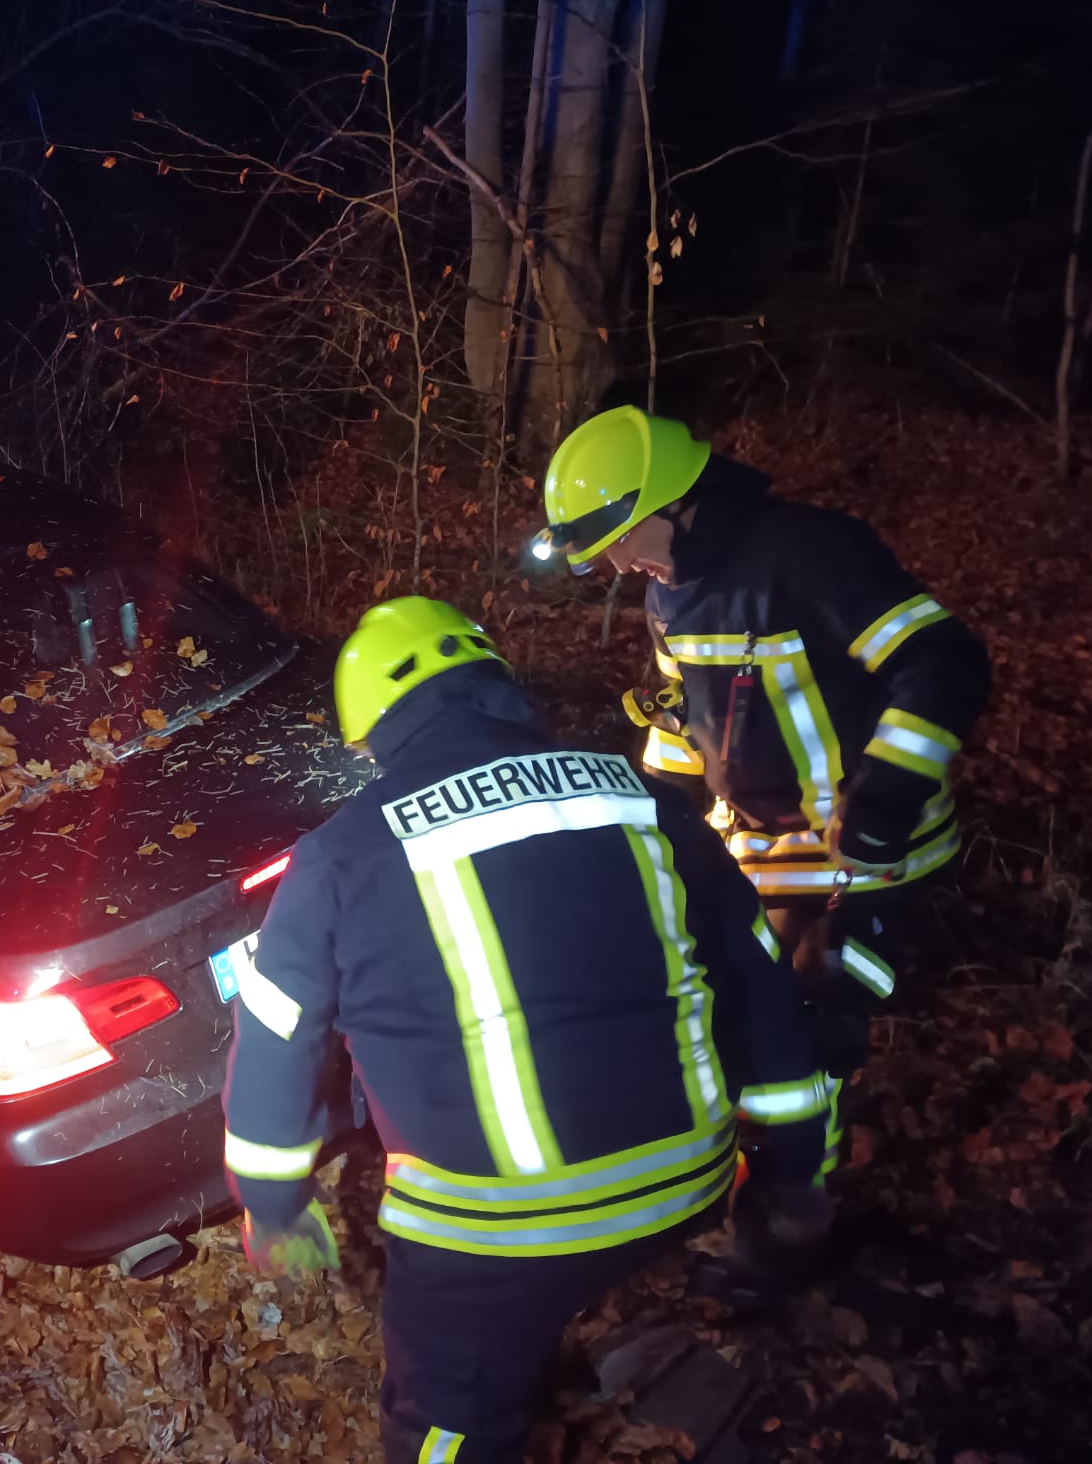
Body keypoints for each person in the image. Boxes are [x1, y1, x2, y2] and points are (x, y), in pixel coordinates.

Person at [222, 597, 832, 1464]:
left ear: (375, 732)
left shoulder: (339, 854)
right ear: (498, 685)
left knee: (445, 1413)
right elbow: (758, 978)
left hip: (496, 1236)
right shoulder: (646, 799)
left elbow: (276, 1038)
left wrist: (273, 1206)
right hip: (689, 1182)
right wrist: (794, 1168)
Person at [533, 406, 991, 1179]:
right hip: (759, 845)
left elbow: (944, 661)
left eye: (620, 541)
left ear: (675, 507)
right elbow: (685, 716)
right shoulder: (670, 593)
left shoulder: (811, 554)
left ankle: (801, 1192)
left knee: (811, 1005)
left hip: (867, 846)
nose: (618, 565)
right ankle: (767, 1165)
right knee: (732, 1000)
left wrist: (886, 797)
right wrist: (653, 816)